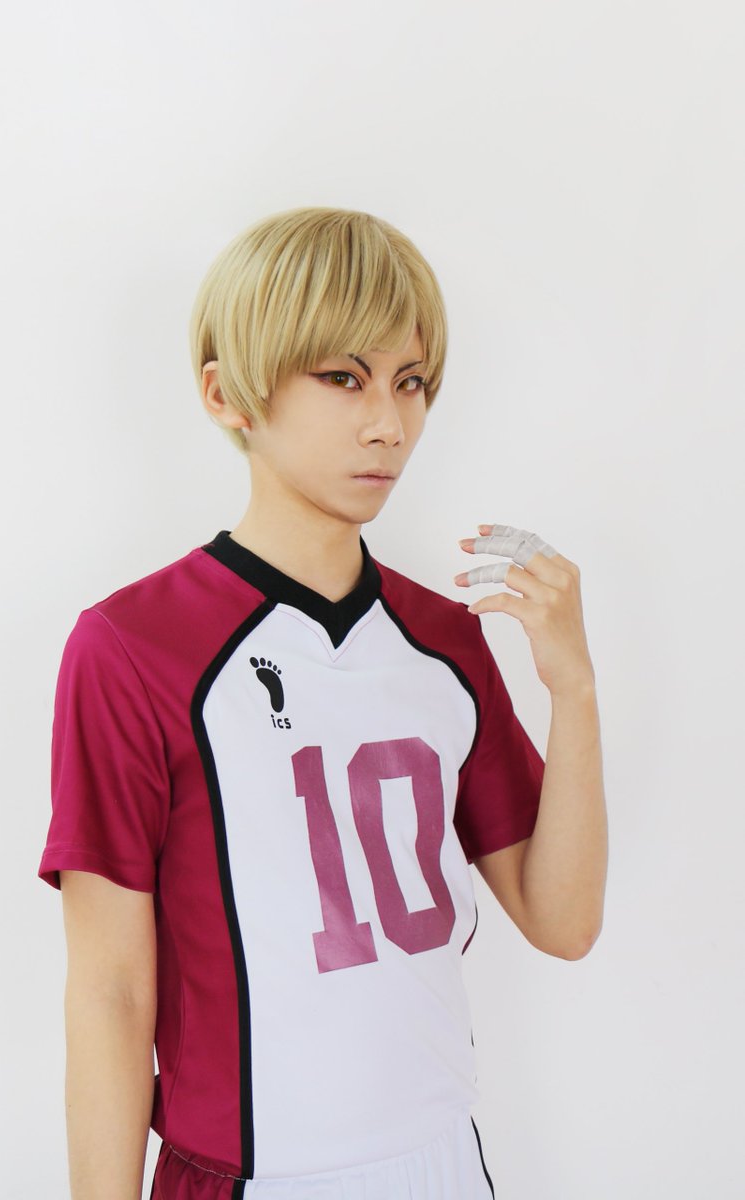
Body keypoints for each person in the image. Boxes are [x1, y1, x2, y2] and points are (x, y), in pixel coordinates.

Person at [37, 205, 608, 1200]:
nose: (389, 423)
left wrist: (575, 688)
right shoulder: (132, 648)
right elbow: (112, 993)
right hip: (253, 1176)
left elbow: (561, 921)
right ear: (227, 394)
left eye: (411, 381)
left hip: (443, 1164)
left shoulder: (444, 640)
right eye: (343, 378)